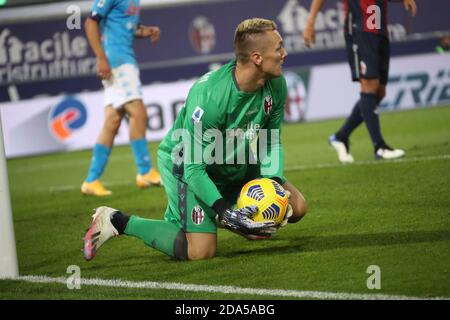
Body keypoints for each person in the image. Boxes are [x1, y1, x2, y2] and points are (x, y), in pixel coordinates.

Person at [83, 18, 308, 261]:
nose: (284, 54)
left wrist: (272, 184)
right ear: (257, 58)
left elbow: (270, 142)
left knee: (296, 207)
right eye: (279, 48)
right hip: (186, 164)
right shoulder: (210, 97)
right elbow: (194, 169)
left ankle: (204, 216)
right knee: (201, 251)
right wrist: (226, 213)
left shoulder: (276, 84)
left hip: (232, 158)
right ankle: (116, 220)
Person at [303, 0, 417, 163]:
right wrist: (310, 21)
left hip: (380, 30)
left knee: (378, 92)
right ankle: (380, 147)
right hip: (360, 29)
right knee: (369, 85)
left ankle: (341, 136)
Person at [81, 0, 162, 196]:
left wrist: (146, 31)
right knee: (138, 112)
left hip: (121, 59)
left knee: (113, 121)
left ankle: (91, 180)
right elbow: (90, 23)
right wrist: (101, 57)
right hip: (117, 61)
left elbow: (127, 27)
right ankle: (144, 171)